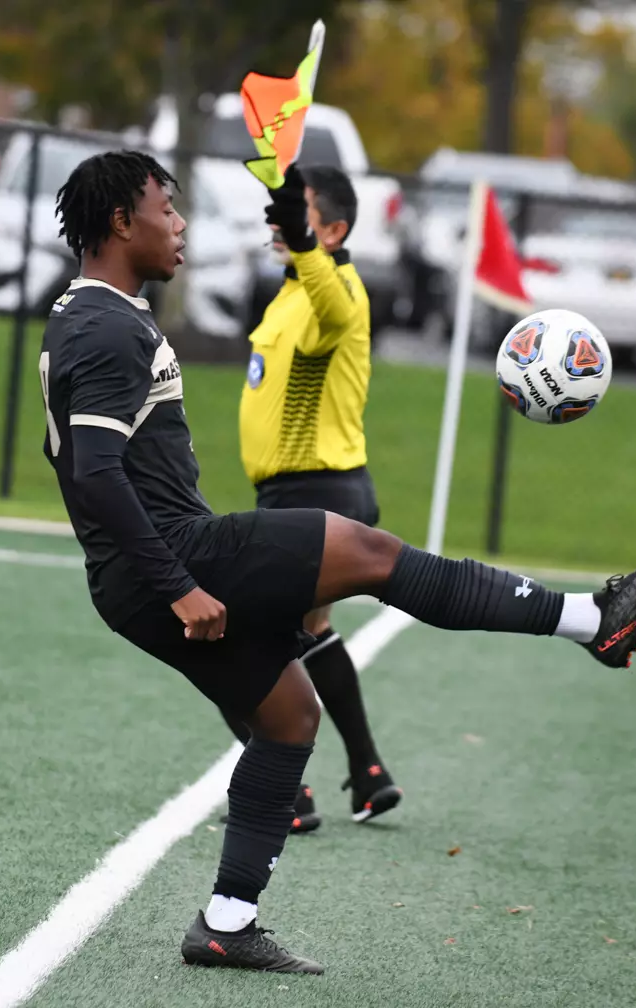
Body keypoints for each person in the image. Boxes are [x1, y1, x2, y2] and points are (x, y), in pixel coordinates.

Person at [39, 149, 636, 976]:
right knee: (375, 553)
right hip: (169, 559)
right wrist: (181, 584)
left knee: (290, 719)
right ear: (122, 221)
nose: (181, 221)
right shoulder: (104, 322)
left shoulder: (102, 314)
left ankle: (227, 922)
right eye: (168, 206)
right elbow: (91, 474)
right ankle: (595, 621)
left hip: (148, 566)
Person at [237, 162, 398, 834]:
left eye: (302, 216)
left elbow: (332, 302)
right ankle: (368, 772)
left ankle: (284, 790)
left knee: (233, 632)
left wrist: (304, 245)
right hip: (301, 491)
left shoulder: (339, 291)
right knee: (309, 629)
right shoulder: (293, 289)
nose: (284, 224)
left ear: (333, 230)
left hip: (315, 491)